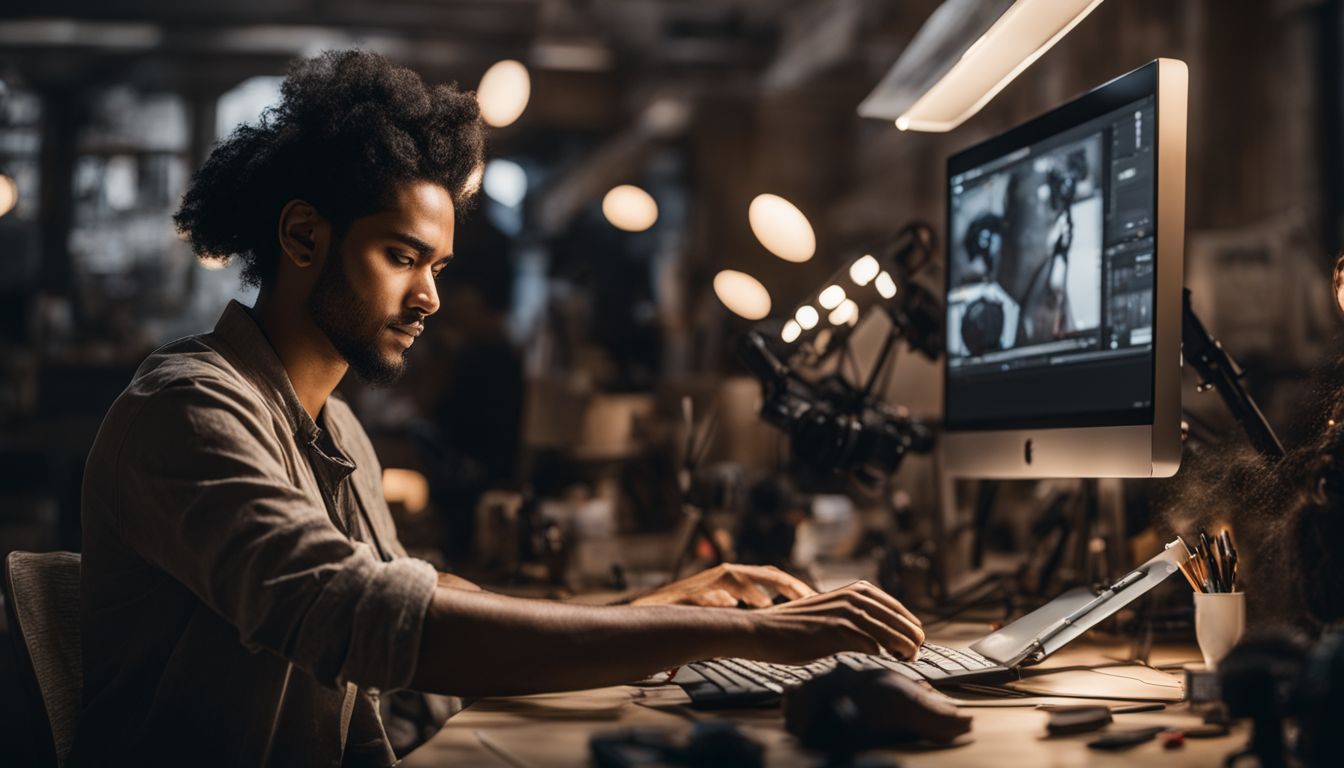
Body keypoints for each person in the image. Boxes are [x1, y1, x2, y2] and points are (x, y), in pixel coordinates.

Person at [70, 50, 924, 766]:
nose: (431, 297)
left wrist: (662, 612)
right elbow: (372, 623)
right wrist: (719, 637)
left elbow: (403, 661)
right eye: (404, 256)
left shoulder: (334, 429)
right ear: (302, 238)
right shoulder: (186, 411)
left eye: (438, 267)